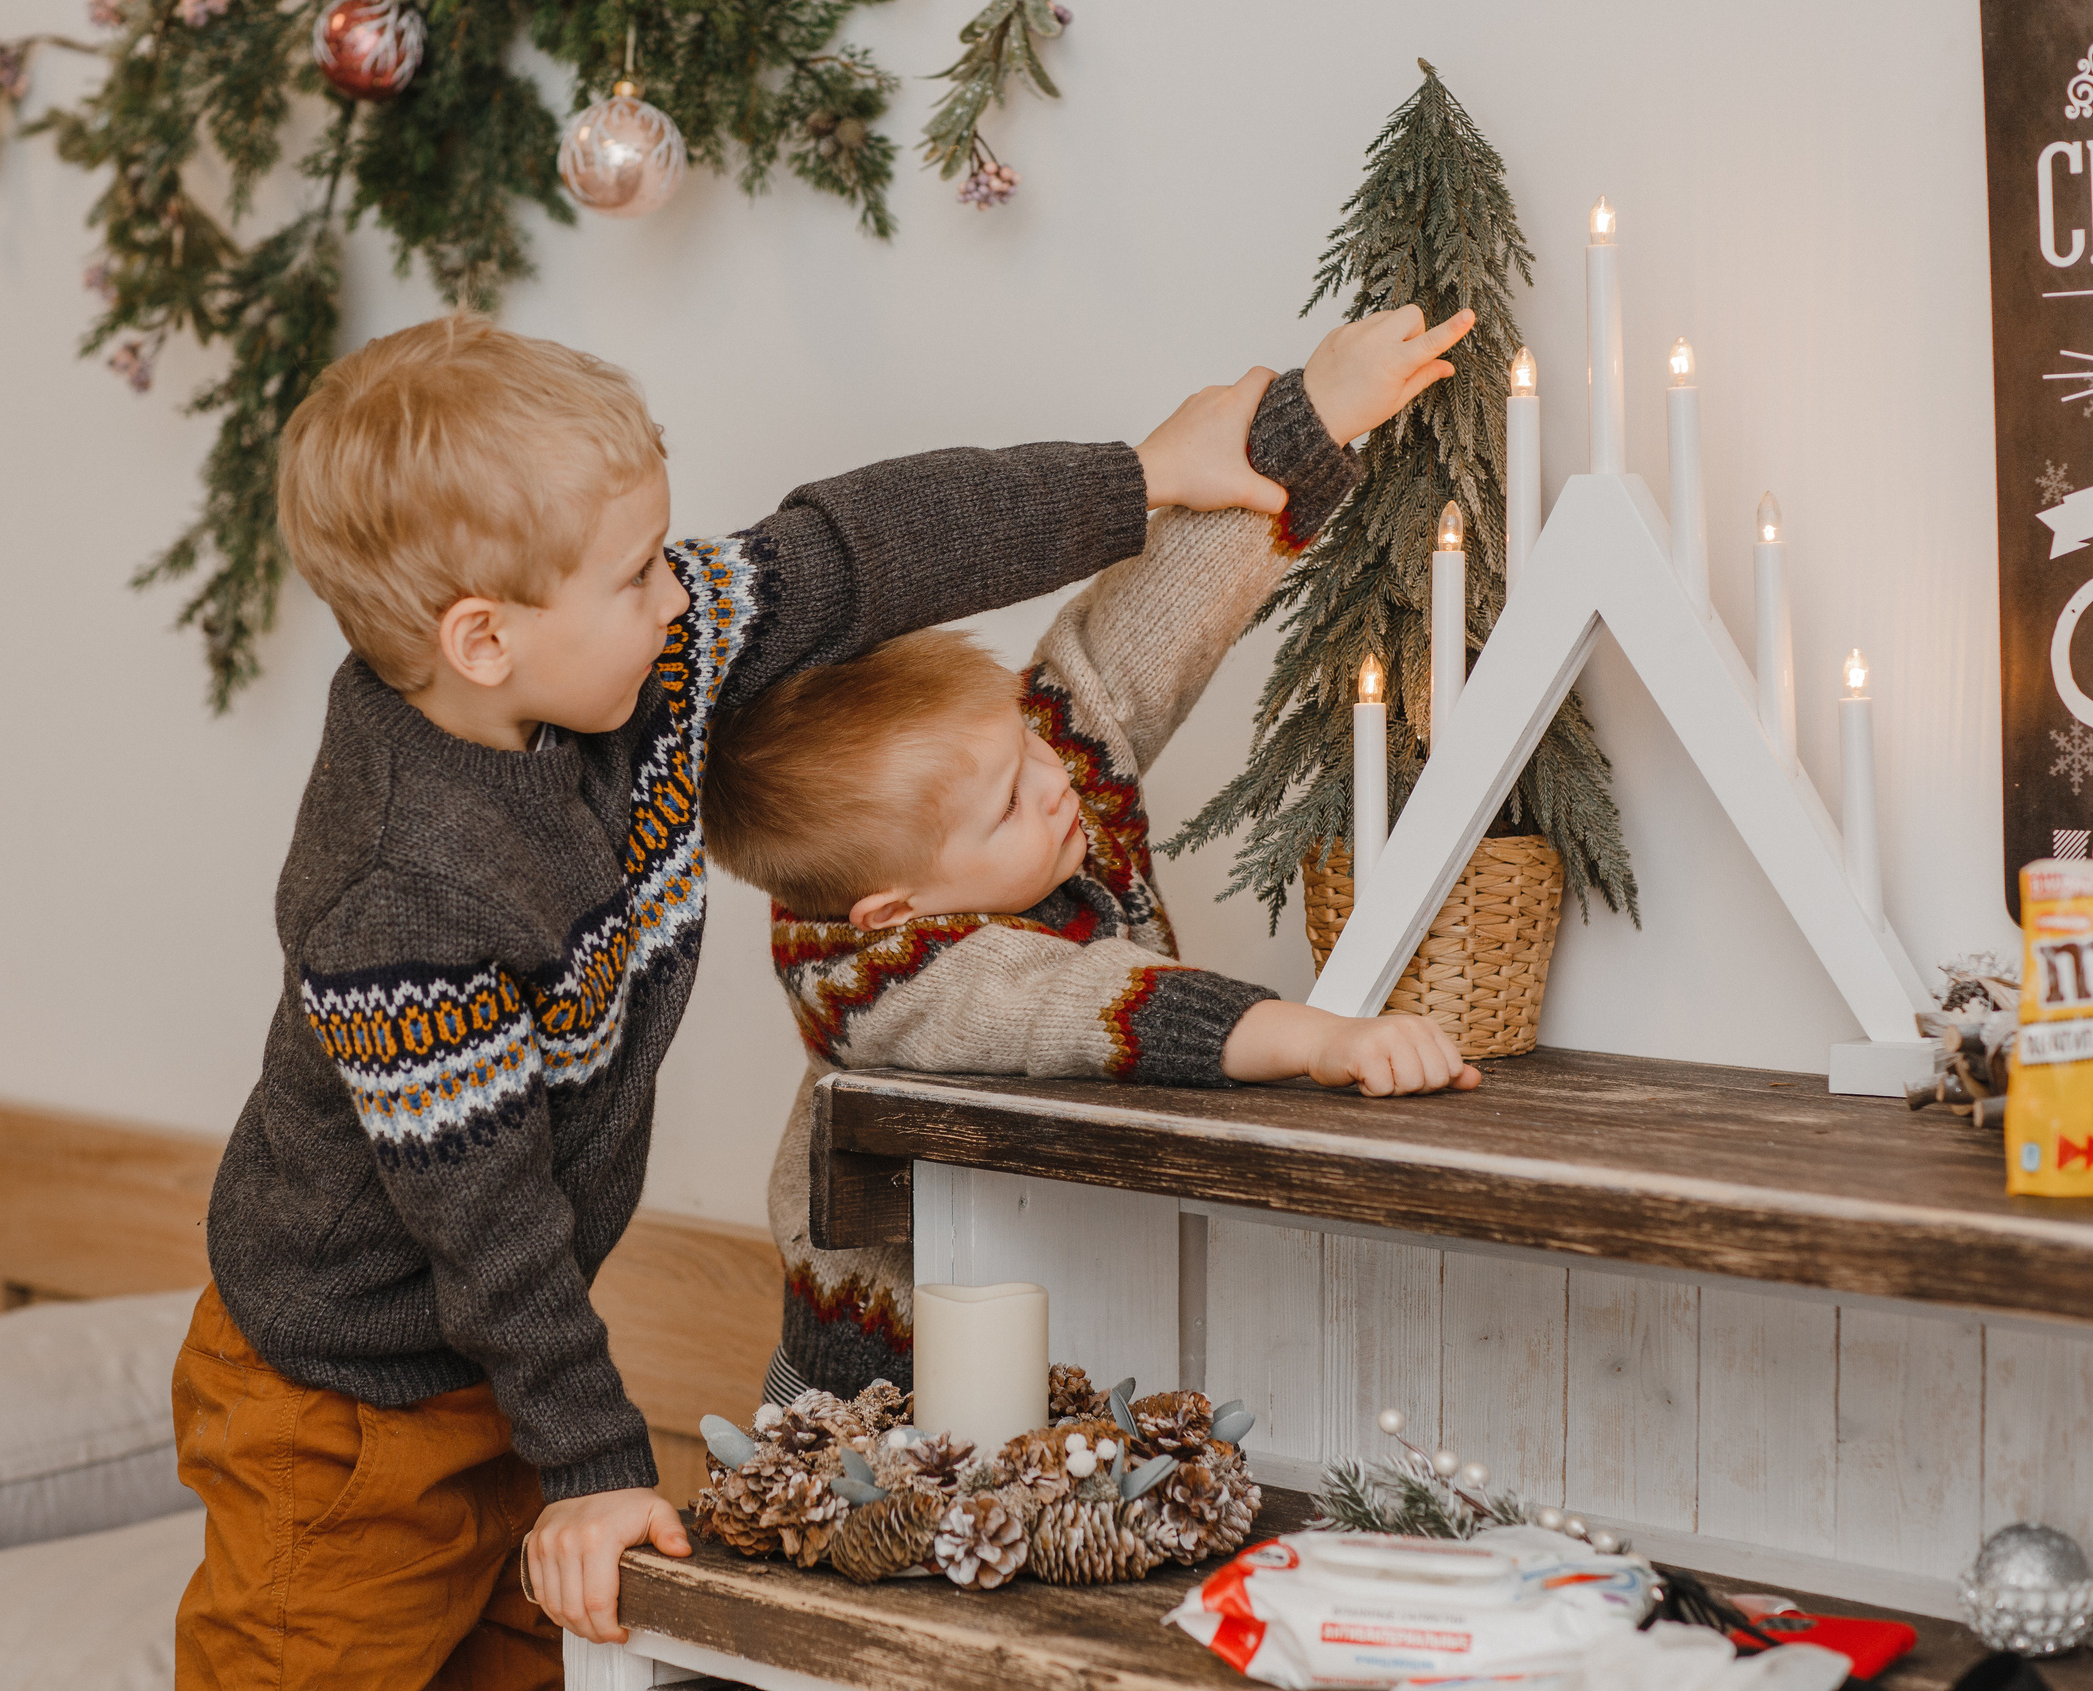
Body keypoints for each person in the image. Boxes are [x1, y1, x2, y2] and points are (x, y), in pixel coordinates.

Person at [168, 306, 1459, 1688]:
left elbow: (862, 549)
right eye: (634, 576)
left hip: (497, 1365)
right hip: (338, 1401)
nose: (677, 595)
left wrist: (1146, 471)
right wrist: (598, 1466)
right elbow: (486, 1226)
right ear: (483, 638)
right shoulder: (400, 897)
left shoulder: (646, 670)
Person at [699, 323, 1484, 1411]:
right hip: (886, 1389)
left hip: (1052, 1326)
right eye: (1007, 806)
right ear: (894, 907)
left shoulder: (1022, 774)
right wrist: (1320, 1039)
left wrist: (1314, 418)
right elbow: (1087, 1002)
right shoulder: (897, 985)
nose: (1052, 781)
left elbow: (1141, 635)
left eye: (1024, 742)